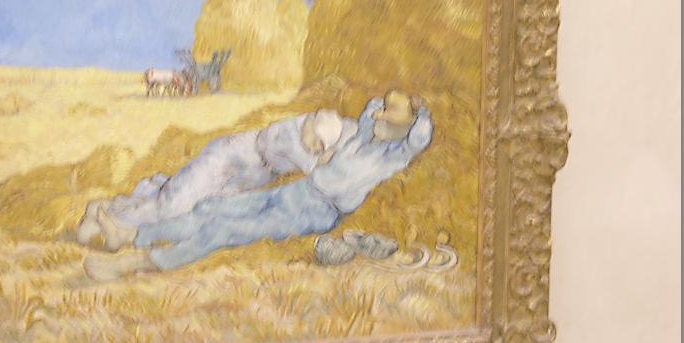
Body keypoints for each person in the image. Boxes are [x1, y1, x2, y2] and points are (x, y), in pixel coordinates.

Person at [83, 90, 433, 281]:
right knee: (212, 208)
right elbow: (372, 107)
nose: (380, 117)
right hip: (300, 192)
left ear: (405, 126)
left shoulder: (394, 155)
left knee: (224, 230)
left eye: (389, 116)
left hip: (317, 211)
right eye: (382, 113)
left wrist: (420, 111)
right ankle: (129, 236)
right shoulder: (363, 134)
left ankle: (137, 263)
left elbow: (419, 137)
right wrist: (384, 110)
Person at [76, 109, 356, 251]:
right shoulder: (289, 132)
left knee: (187, 210)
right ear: (311, 127)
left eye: (320, 147)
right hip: (226, 160)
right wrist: (324, 156)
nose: (315, 148)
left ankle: (108, 208)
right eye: (316, 142)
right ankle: (111, 220)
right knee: (173, 203)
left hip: (242, 179)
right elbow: (310, 164)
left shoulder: (305, 136)